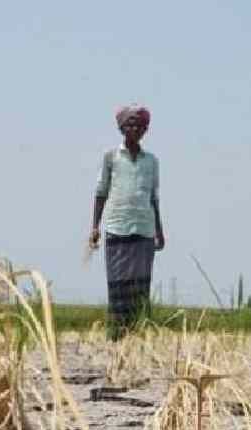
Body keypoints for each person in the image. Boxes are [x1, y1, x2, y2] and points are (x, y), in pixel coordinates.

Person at [89, 104, 166, 340]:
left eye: (139, 125)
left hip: (143, 229)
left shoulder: (151, 161)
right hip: (116, 227)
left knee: (141, 285)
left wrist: (159, 231)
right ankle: (116, 335)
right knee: (118, 284)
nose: (134, 129)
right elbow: (101, 191)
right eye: (130, 124)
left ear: (145, 130)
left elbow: (153, 198)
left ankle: (139, 334)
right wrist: (95, 226)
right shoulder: (111, 157)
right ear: (122, 128)